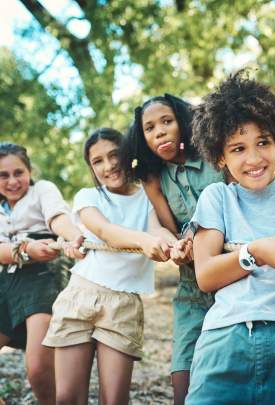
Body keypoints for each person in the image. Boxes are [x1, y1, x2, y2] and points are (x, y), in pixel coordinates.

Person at [184, 73, 275, 405]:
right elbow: (205, 275)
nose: (254, 158)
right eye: (238, 148)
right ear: (221, 157)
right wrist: (255, 252)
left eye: (263, 142)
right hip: (228, 337)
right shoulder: (217, 198)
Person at [43, 128, 176, 405]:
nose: (109, 165)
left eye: (115, 155)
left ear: (129, 155)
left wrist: (172, 243)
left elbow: (157, 230)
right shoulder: (87, 197)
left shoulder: (148, 199)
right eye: (98, 161)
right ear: (91, 167)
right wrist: (143, 240)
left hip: (122, 305)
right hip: (79, 297)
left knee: (114, 400)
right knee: (67, 397)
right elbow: (105, 231)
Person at [122, 94, 225, 404]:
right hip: (191, 283)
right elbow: (169, 226)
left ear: (183, 122)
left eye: (167, 122)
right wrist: (179, 244)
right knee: (182, 366)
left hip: (230, 271)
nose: (160, 132)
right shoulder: (152, 177)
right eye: (150, 128)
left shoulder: (214, 155)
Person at [0, 142, 83, 405]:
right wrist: (25, 249)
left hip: (41, 276)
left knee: (37, 368)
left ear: (29, 170)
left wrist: (74, 237)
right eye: (3, 175)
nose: (13, 181)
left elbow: (58, 218)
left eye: (18, 172)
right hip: (6, 278)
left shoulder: (42, 190)